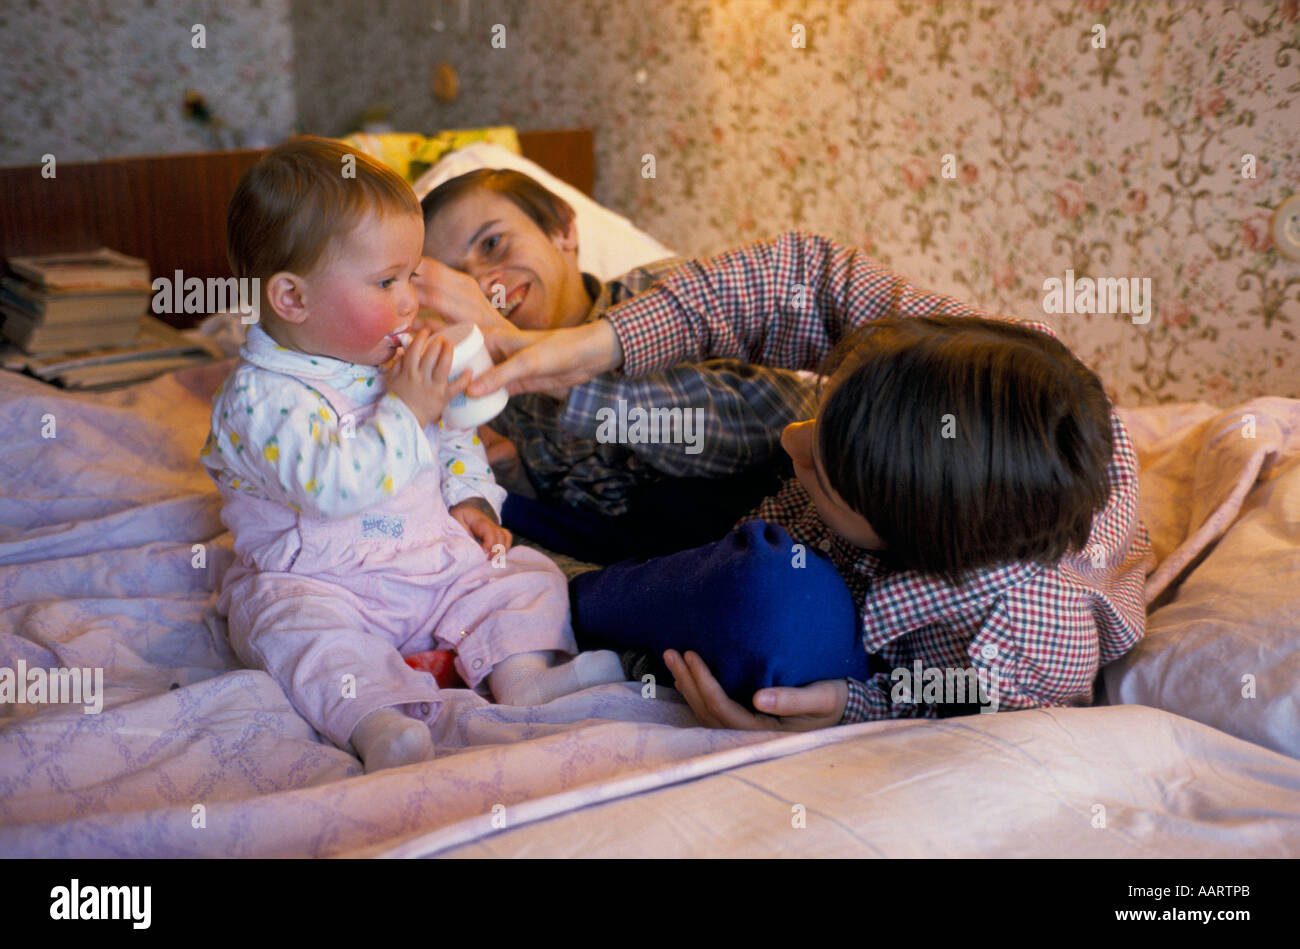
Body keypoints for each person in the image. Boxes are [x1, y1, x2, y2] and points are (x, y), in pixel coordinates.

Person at [454, 231, 1155, 730]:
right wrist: (598, 345)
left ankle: (568, 603)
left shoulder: (1028, 636)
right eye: (822, 412)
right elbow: (801, 276)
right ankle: (531, 535)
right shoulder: (974, 364)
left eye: (820, 471)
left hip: (804, 593)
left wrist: (850, 706)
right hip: (720, 518)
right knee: (701, 493)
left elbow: (952, 704)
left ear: (896, 545)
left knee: (770, 607)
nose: (794, 442)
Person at [201, 138, 623, 773]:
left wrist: (472, 498)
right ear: (293, 300)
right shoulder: (260, 398)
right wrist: (405, 407)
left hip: (427, 562)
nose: (408, 301)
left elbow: (454, 436)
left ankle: (526, 675)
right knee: (289, 631)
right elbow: (332, 487)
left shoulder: (388, 357)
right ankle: (377, 722)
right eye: (385, 281)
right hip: (322, 580)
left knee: (524, 574)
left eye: (410, 277)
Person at [417, 169, 818, 563]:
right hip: (641, 568)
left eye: (493, 244)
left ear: (563, 229)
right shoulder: (488, 394)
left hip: (755, 529)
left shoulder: (663, 298)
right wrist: (514, 477)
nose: (487, 286)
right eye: (458, 280)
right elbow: (576, 526)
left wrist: (567, 381)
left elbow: (773, 427)